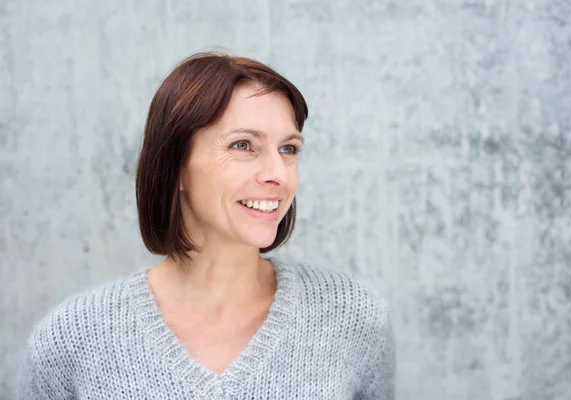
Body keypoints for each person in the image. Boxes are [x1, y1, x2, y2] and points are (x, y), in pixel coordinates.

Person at [18, 52, 396, 399]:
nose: (278, 175)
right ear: (175, 165)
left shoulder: (353, 317)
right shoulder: (73, 338)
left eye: (289, 149)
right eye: (243, 145)